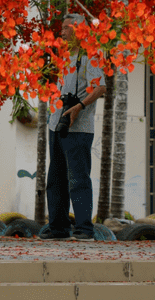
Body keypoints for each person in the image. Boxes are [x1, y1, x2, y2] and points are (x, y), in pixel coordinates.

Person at [45, 13, 106, 240]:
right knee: (56, 179)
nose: (61, 32)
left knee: (79, 180)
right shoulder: (62, 57)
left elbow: (100, 87)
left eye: (66, 28)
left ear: (79, 30)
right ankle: (58, 229)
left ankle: (84, 229)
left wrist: (79, 106)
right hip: (56, 124)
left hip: (79, 128)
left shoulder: (91, 55)